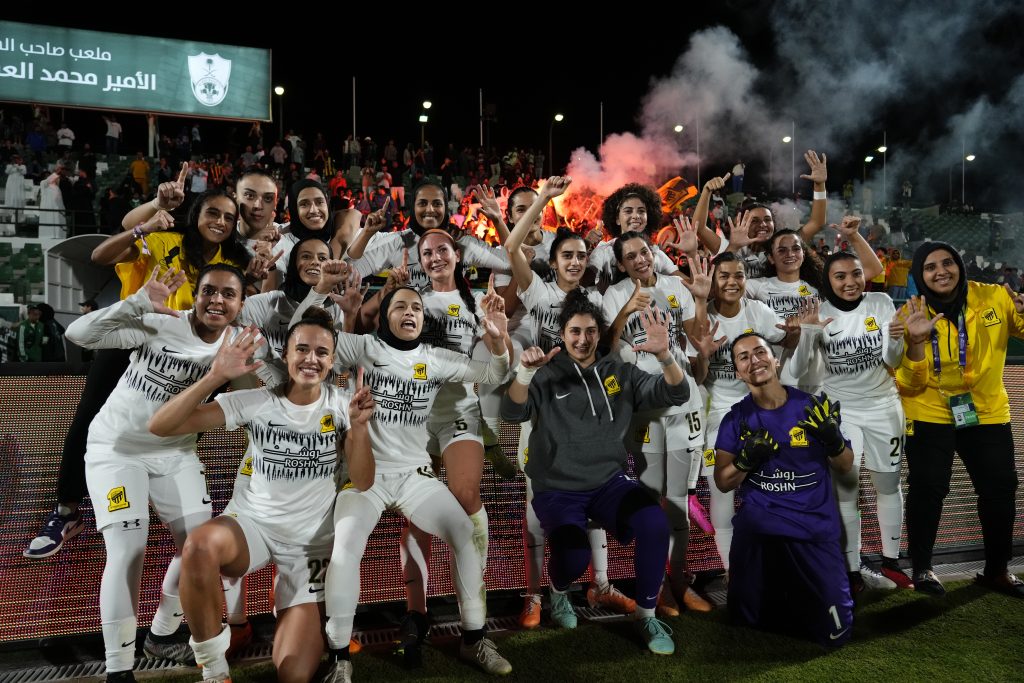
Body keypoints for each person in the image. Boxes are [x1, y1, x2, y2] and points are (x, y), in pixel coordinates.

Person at [23, 176, 259, 561]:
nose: (220, 221)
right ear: (195, 213)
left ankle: (164, 502)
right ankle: (67, 510)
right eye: (212, 212)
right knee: (89, 418)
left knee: (184, 422)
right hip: (140, 338)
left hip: (194, 357)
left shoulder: (231, 263)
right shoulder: (166, 240)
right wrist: (146, 224)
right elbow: (101, 256)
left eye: (228, 218)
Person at [66, 264, 272, 683]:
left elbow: (273, 386)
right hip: (116, 450)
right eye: (209, 291)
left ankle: (160, 633)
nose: (217, 300)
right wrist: (135, 302)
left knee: (199, 548)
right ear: (194, 295)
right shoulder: (161, 324)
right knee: (128, 551)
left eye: (227, 294)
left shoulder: (243, 344)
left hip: (175, 452)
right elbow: (79, 334)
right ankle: (118, 670)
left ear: (240, 304)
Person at [148, 308, 374, 683]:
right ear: (285, 356)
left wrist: (361, 429)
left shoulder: (343, 406)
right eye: (301, 349)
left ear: (332, 361)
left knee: (295, 675)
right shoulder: (257, 402)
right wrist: (216, 377)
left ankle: (288, 598)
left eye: (321, 352)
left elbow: (363, 482)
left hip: (309, 547)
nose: (310, 359)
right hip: (252, 527)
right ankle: (215, 670)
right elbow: (161, 425)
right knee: (199, 547)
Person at [319, 285, 514, 681]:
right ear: (386, 314)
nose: (410, 312)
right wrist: (343, 311)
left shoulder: (436, 359)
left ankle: (473, 637)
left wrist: (497, 339)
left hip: (413, 475)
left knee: (463, 530)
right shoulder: (364, 348)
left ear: (424, 319)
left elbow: (495, 373)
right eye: (400, 306)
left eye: (417, 308)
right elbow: (311, 345)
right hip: (364, 478)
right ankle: (339, 657)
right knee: (345, 548)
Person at [501, 289, 689, 655]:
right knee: (573, 557)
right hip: (557, 487)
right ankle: (557, 594)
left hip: (608, 483)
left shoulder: (619, 370)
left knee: (654, 523)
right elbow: (511, 414)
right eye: (574, 331)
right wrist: (524, 372)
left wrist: (665, 354)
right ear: (562, 333)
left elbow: (676, 393)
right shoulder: (546, 373)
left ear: (599, 334)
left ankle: (646, 615)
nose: (582, 339)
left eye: (589, 331)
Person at [896, 242, 1024, 597]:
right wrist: (917, 344)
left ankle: (997, 571)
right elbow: (908, 384)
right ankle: (923, 569)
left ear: (959, 265)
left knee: (999, 490)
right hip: (929, 412)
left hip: (986, 412)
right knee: (928, 489)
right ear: (920, 276)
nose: (941, 271)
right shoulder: (909, 313)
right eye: (930, 267)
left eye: (948, 262)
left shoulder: (996, 297)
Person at [714, 332, 854, 646]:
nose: (754, 361)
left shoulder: (812, 407)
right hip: (760, 530)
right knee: (746, 625)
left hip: (812, 528)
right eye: (744, 357)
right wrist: (746, 460)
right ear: (738, 372)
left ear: (775, 360)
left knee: (835, 633)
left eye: (760, 352)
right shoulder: (735, 420)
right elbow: (723, 482)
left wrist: (833, 441)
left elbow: (845, 464)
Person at [602, 230, 715, 615]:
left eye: (644, 251)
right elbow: (606, 349)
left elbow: (697, 340)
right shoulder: (614, 295)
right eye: (630, 255)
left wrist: (699, 301)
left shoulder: (674, 286)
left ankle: (680, 582)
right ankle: (657, 586)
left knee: (679, 500)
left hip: (682, 402)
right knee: (651, 504)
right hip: (644, 409)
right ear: (620, 264)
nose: (640, 259)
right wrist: (626, 310)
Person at [788, 252, 915, 591]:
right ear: (828, 281)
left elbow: (893, 359)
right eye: (840, 276)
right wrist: (809, 331)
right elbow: (797, 371)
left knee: (888, 484)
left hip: (884, 407)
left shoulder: (880, 302)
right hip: (840, 413)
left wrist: (897, 338)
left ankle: (891, 561)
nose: (850, 282)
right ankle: (852, 568)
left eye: (856, 274)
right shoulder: (820, 313)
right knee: (846, 491)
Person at [692, 152, 829, 279]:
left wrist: (820, 185)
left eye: (767, 220)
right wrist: (706, 192)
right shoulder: (728, 247)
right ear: (742, 224)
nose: (763, 224)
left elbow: (817, 223)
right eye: (755, 221)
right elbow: (700, 228)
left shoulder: (784, 247)